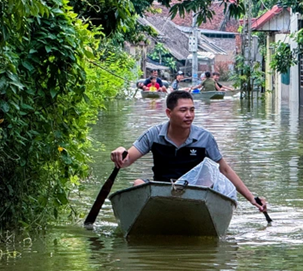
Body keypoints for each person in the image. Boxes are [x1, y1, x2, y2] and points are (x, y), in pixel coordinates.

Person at [110, 90, 268, 213]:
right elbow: (127, 160)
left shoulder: (205, 138)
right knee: (138, 183)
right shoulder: (154, 134)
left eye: (192, 110)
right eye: (183, 110)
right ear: (168, 113)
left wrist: (252, 198)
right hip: (162, 190)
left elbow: (225, 170)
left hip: (196, 193)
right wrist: (121, 151)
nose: (189, 115)